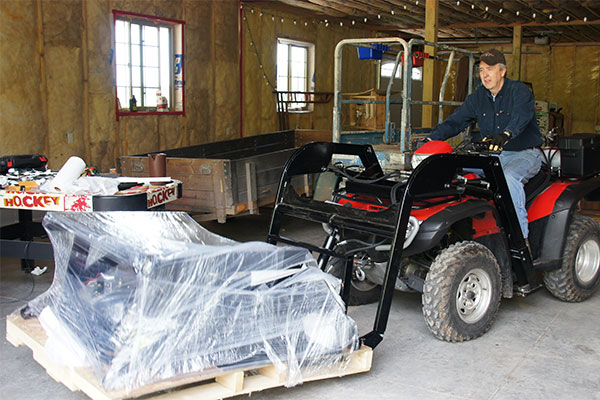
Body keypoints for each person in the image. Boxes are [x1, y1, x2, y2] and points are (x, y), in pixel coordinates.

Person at [427, 48, 543, 243]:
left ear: (502, 71)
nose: (485, 75)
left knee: (508, 178)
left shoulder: (519, 91)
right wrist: (431, 139)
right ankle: (447, 231)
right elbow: (456, 121)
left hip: (524, 154)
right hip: (492, 156)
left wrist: (506, 134)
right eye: (481, 70)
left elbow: (521, 117)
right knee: (450, 167)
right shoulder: (478, 97)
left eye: (489, 69)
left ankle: (520, 240)